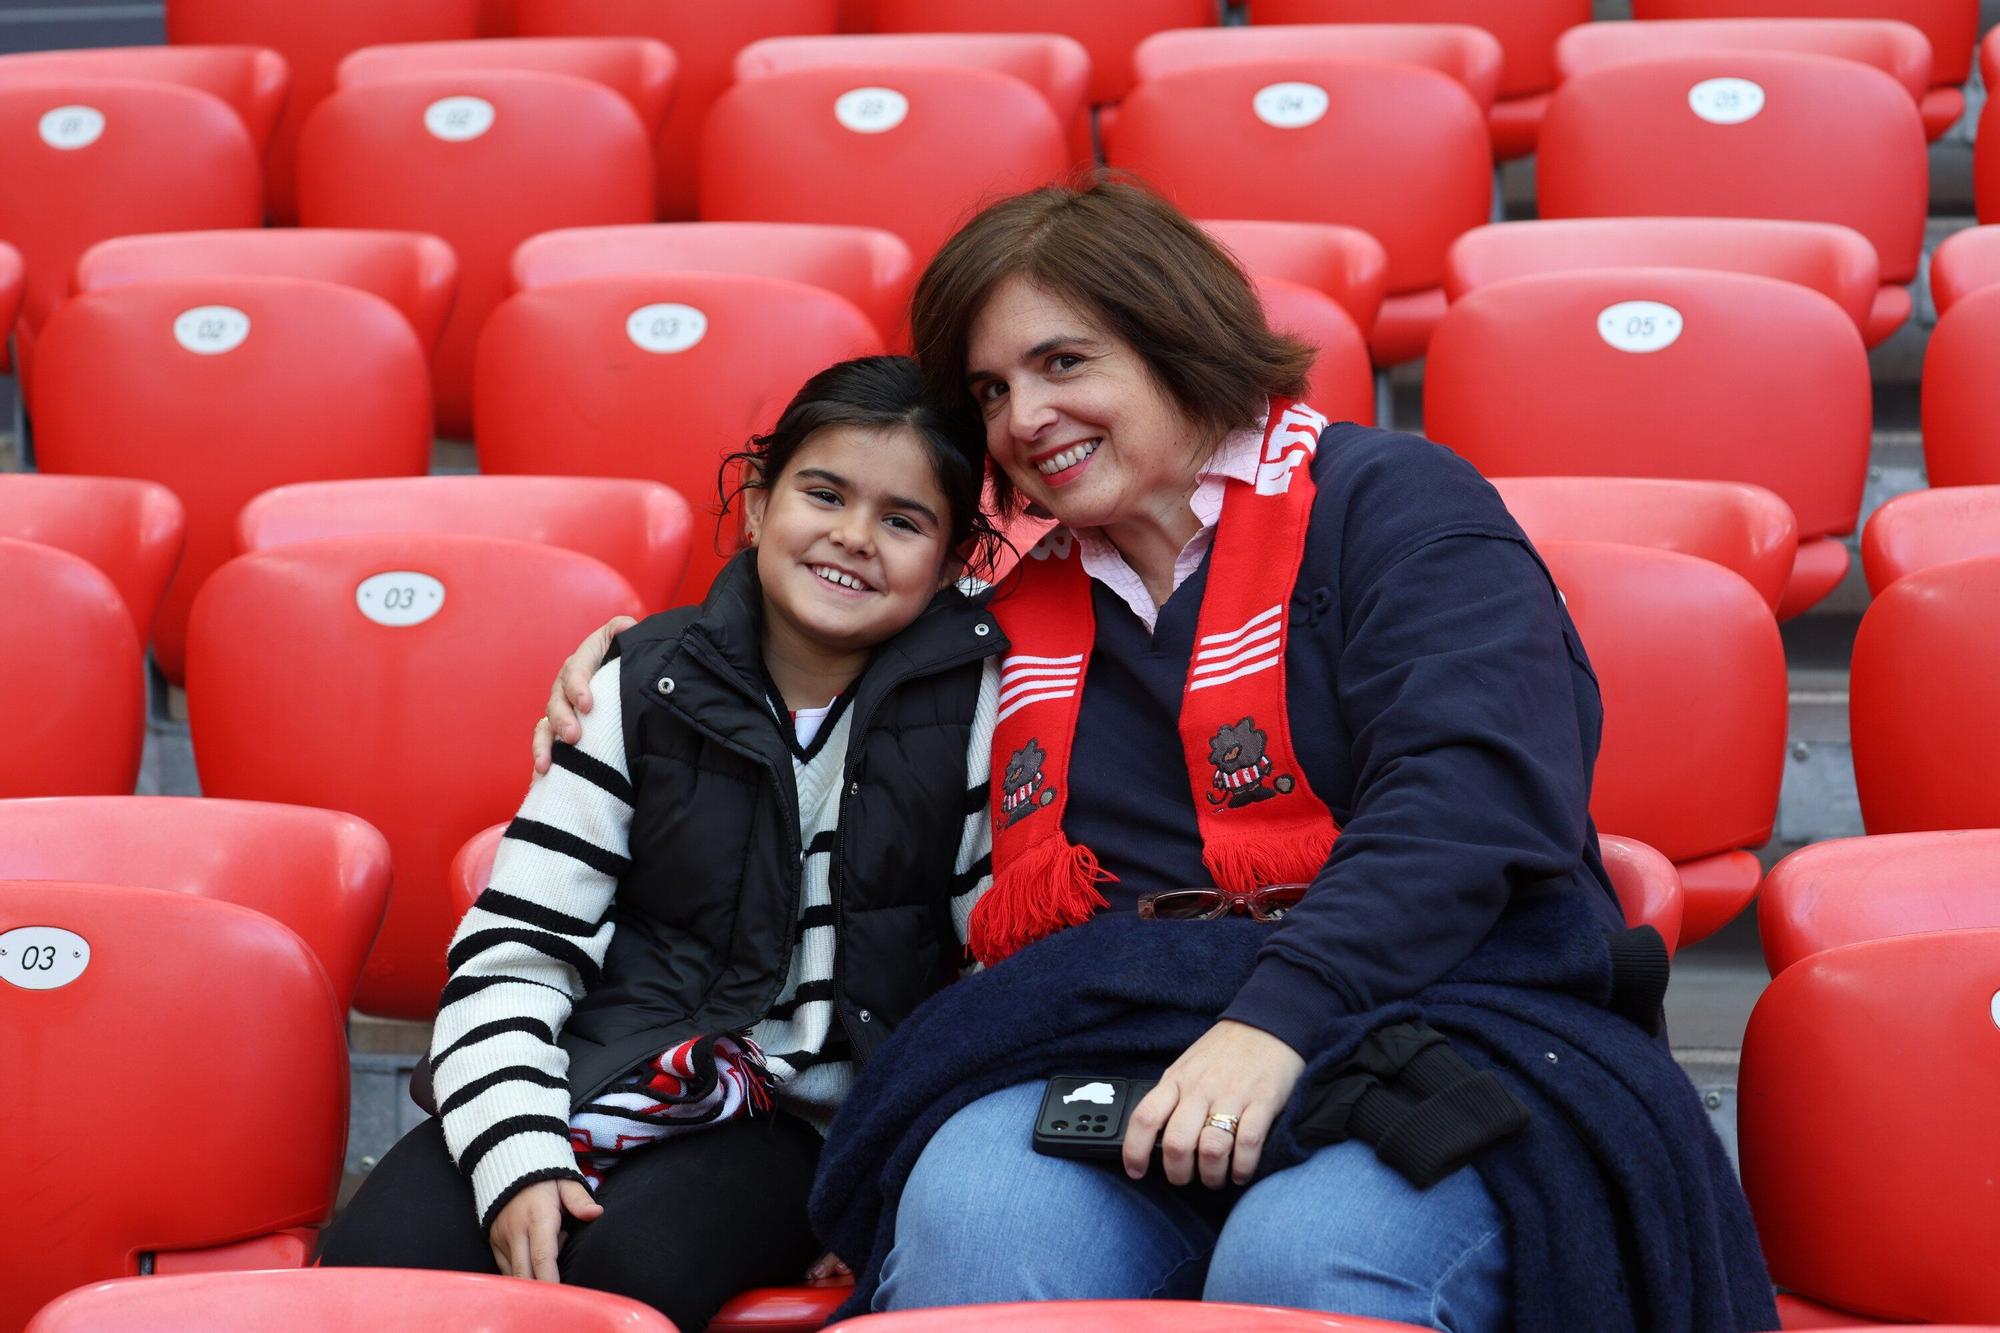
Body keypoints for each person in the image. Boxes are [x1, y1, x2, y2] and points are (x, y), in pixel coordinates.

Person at [539, 181, 1775, 1331]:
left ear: (1176, 339)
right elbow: (809, 612)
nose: (1022, 421)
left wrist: (1274, 1022)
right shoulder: (1000, 591)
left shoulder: (1394, 504)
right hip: (1117, 1028)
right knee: (975, 1223)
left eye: (1063, 362)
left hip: (1430, 1008)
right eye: (986, 392)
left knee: (1302, 1260)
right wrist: (644, 656)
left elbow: (1470, 797)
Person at [319, 356, 1007, 1331]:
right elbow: (514, 956)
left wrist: (886, 1181)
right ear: (760, 506)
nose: (853, 537)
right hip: (593, 1072)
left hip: (796, 1127)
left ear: (948, 563)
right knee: (374, 1265)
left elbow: (991, 979)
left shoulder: (978, 709)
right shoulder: (638, 685)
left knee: (624, 1274)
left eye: (903, 520)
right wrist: (519, 1150)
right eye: (824, 494)